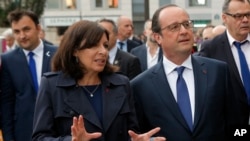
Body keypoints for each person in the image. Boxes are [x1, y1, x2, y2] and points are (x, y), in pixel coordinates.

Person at [32, 20, 165, 141]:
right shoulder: (52, 85)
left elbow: (131, 133)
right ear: (74, 50)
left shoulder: (121, 84)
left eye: (105, 45)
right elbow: (40, 137)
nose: (103, 51)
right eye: (94, 46)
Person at [131, 4, 234, 141]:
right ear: (158, 37)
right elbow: (136, 133)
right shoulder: (140, 86)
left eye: (187, 24)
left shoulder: (219, 72)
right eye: (174, 27)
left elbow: (236, 124)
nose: (184, 31)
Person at [0, 10, 57, 141]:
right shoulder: (8, 60)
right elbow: (7, 103)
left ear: (38, 28)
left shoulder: (57, 54)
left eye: (26, 29)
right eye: (17, 31)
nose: (22, 36)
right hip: (24, 132)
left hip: (56, 131)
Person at [200, 0, 250, 127]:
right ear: (224, 18)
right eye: (238, 16)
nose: (245, 20)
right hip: (229, 127)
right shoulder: (211, 48)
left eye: (248, 15)